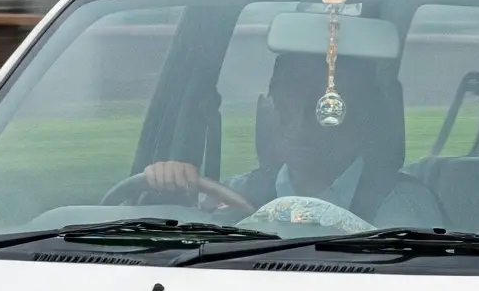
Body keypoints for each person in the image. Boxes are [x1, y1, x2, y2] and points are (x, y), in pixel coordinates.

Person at [141, 50, 445, 229]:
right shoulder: (233, 193)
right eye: (285, 109)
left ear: (362, 118)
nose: (298, 127)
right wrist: (170, 191)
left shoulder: (403, 208)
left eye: (320, 112)